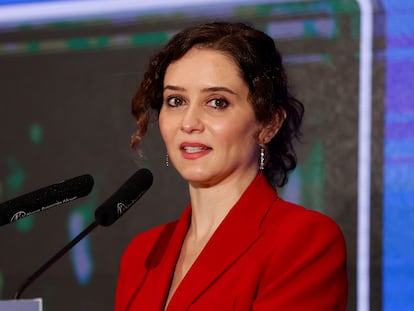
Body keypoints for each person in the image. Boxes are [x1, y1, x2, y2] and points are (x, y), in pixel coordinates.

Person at [115, 22, 348, 310]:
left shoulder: (303, 240)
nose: (188, 123)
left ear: (268, 124)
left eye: (217, 102)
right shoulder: (144, 253)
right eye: (176, 100)